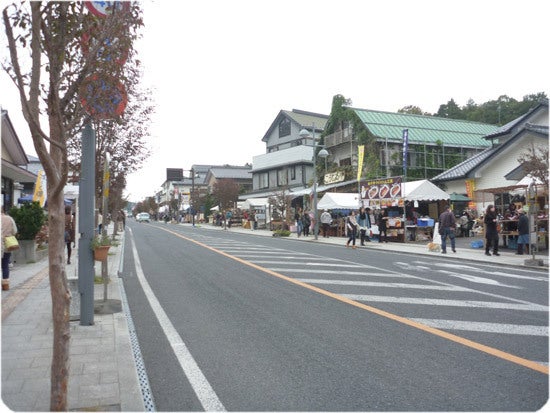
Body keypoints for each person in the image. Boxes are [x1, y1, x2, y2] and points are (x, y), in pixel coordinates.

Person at [2, 206, 18, 291]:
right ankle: (5, 286)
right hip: (6, 245)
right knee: (5, 265)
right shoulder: (9, 219)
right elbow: (15, 231)